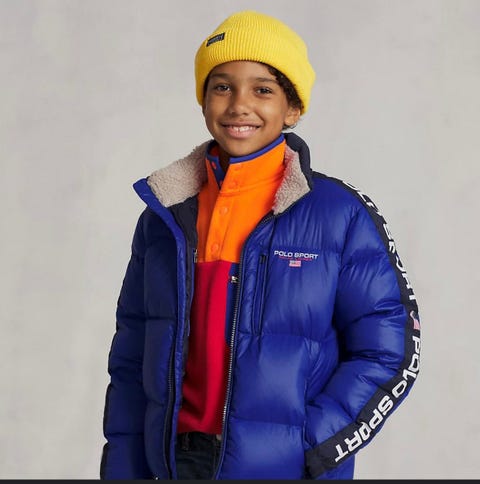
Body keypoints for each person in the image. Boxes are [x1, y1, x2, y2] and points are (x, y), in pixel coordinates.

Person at [100, 10, 421, 480]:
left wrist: (311, 446)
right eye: (222, 86)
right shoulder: (165, 216)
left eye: (263, 90)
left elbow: (392, 352)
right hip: (177, 464)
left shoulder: (340, 214)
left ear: (292, 109)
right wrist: (123, 468)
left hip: (289, 468)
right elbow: (131, 358)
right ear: (204, 100)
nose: (239, 105)